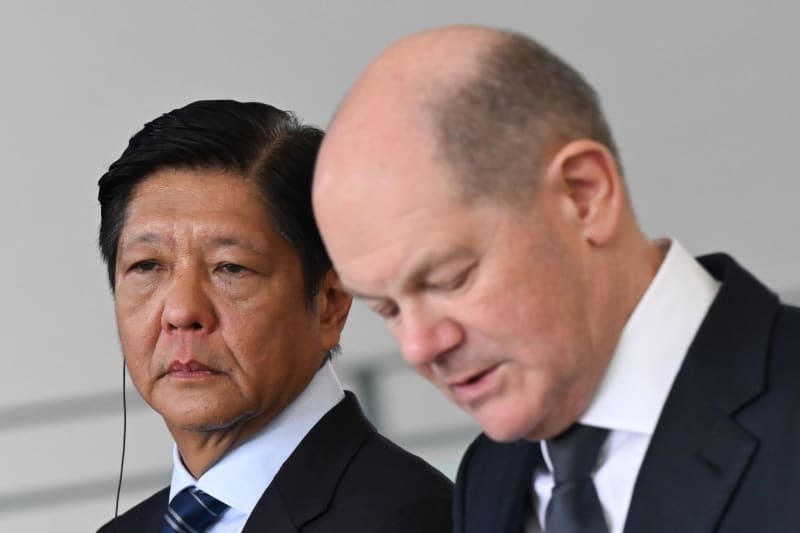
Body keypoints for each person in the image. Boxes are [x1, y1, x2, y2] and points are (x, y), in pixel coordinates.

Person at [312, 25, 800, 533]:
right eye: (386, 309)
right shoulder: (489, 474)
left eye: (449, 279)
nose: (418, 348)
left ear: (583, 194)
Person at [95, 99, 452, 533]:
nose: (182, 312)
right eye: (147, 266)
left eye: (231, 268)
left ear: (330, 303)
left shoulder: (416, 518)